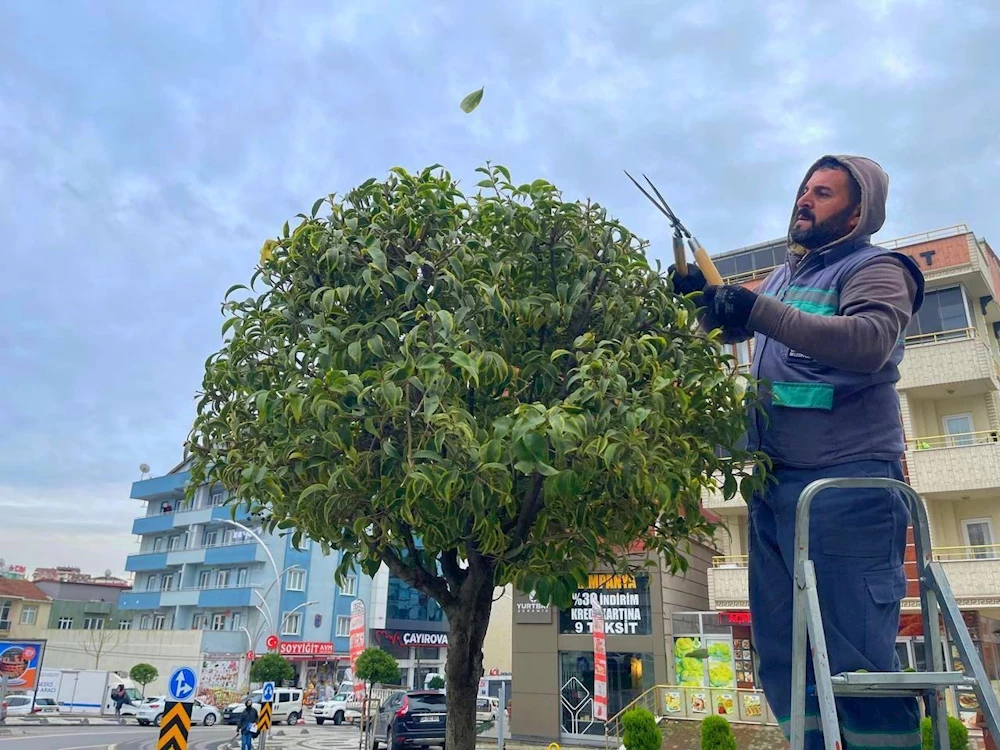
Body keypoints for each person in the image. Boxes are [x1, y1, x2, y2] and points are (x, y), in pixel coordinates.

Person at [670, 155, 925, 750]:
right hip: (774, 485)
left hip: (847, 488)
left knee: (855, 660)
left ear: (858, 213)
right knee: (784, 655)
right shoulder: (786, 277)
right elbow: (738, 326)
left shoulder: (877, 269)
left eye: (824, 193)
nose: (805, 199)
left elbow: (868, 342)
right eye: (805, 189)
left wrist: (754, 307)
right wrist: (703, 302)